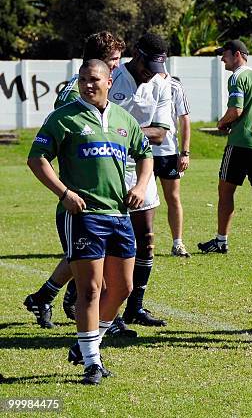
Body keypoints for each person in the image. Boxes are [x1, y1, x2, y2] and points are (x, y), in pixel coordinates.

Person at [28, 59, 153, 384]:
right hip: (82, 217)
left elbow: (146, 153)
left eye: (94, 79)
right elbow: (36, 157)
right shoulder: (64, 118)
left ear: (109, 81)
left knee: (123, 288)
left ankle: (87, 345)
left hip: (119, 215)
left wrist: (140, 186)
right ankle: (92, 363)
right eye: (83, 79)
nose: (88, 85)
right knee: (91, 288)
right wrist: (64, 192)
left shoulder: (124, 119)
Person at [24, 31, 128, 330]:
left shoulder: (90, 86)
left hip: (98, 186)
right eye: (114, 60)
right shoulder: (77, 92)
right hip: (81, 186)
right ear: (98, 60)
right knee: (94, 254)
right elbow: (62, 134)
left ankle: (47, 297)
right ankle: (101, 317)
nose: (118, 67)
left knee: (91, 252)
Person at [108, 32, 173, 327]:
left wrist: (121, 131)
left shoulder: (161, 83)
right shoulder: (112, 76)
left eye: (157, 68)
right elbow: (96, 122)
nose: (151, 74)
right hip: (106, 167)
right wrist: (131, 131)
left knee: (146, 238)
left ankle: (136, 306)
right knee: (110, 240)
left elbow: (160, 132)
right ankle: (106, 308)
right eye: (148, 66)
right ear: (137, 54)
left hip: (140, 168)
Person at [197, 40, 252, 256]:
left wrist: (222, 123)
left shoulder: (237, 77)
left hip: (239, 144)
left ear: (237, 54)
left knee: (225, 191)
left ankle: (221, 241)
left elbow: (236, 110)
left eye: (225, 55)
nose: (222, 59)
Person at [154, 73, 191, 257]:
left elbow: (184, 118)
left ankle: (178, 243)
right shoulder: (141, 81)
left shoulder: (174, 84)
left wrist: (184, 152)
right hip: (143, 151)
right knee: (141, 201)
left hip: (168, 151)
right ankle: (143, 243)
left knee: (173, 198)